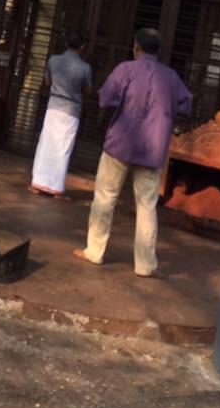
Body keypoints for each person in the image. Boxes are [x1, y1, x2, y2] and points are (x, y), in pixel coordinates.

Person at [74, 28, 192, 278]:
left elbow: (105, 98)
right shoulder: (171, 77)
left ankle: (94, 251)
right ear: (158, 50)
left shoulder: (125, 69)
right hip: (153, 150)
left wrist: (125, 103)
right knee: (147, 206)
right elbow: (186, 105)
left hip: (120, 144)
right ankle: (145, 265)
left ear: (136, 47)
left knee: (105, 198)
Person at [30, 34, 93, 200]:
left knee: (46, 144)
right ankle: (56, 188)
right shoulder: (85, 67)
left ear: (66, 43)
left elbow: (47, 82)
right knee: (63, 148)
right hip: (71, 111)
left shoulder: (53, 60)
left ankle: (38, 182)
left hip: (53, 107)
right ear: (82, 47)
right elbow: (88, 90)